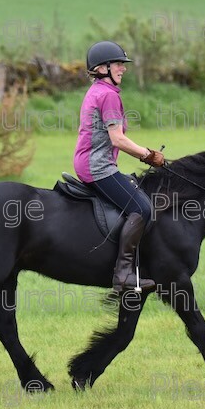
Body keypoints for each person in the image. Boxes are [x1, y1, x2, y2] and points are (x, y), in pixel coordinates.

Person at [73, 41, 165, 293]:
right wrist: (148, 155)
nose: (123, 69)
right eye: (118, 64)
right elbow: (118, 139)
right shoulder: (108, 95)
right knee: (143, 207)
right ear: (102, 68)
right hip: (98, 167)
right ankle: (123, 274)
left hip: (90, 162)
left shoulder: (96, 90)